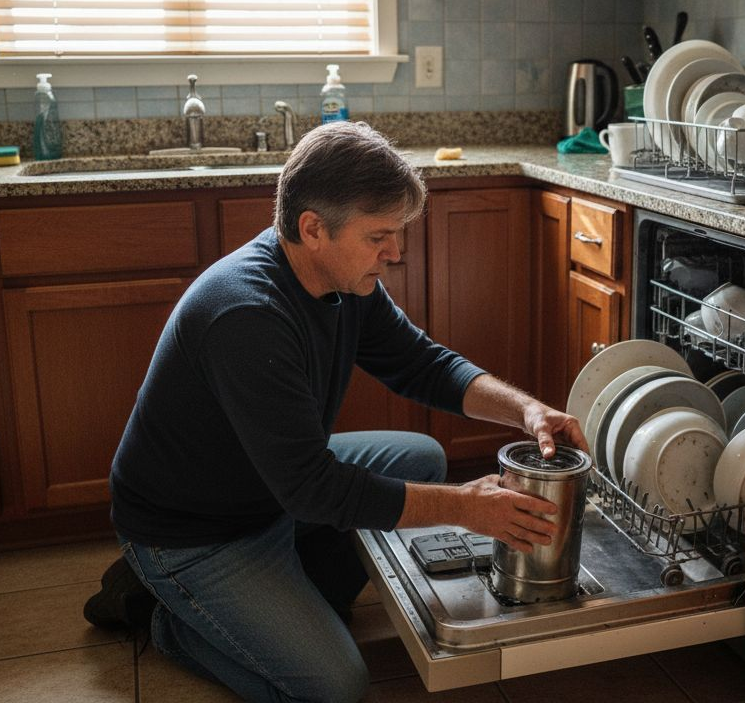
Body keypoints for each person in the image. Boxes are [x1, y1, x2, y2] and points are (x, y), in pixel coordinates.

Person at [83, 120, 587, 703]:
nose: (395, 253)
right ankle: (165, 618)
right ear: (313, 229)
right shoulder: (246, 317)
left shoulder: (343, 281)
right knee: (335, 687)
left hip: (269, 486)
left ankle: (288, 593)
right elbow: (311, 489)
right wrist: (464, 508)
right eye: (379, 237)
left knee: (420, 457)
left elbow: (419, 363)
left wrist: (527, 410)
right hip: (195, 531)